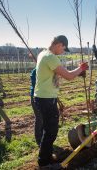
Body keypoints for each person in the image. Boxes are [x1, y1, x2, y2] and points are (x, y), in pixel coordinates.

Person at [34, 35, 88, 168]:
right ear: (59, 44)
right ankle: (44, 161)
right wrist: (81, 68)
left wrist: (77, 72)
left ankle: (45, 157)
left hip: (42, 97)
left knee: (49, 129)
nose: (63, 52)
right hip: (46, 99)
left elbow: (59, 75)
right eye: (64, 49)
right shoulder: (50, 57)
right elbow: (69, 76)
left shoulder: (43, 53)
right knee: (51, 131)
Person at [30, 67, 43, 146]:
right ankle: (39, 139)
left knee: (44, 118)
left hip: (44, 96)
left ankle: (43, 137)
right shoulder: (36, 71)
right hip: (36, 97)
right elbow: (36, 84)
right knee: (39, 118)